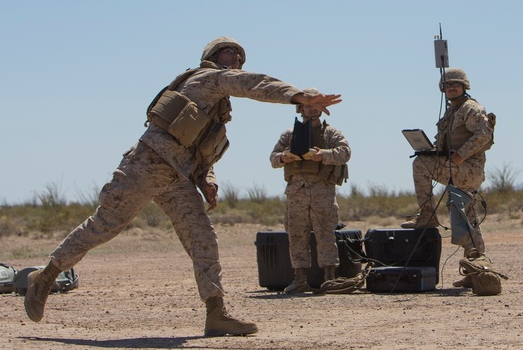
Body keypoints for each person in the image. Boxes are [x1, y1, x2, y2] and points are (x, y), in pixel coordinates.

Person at [23, 37, 341, 337]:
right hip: (146, 165)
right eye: (230, 53)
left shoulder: (219, 108)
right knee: (104, 226)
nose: (238, 59)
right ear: (213, 57)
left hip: (177, 178)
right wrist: (298, 96)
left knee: (203, 238)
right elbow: (254, 83)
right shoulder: (206, 79)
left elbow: (200, 150)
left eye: (241, 57)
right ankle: (46, 275)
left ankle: (216, 313)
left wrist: (208, 181)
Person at [402, 68, 492, 259]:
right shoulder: (452, 111)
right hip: (459, 168)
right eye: (447, 85)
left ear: (464, 86)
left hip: (468, 169)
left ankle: (427, 215)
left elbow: (484, 134)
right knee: (465, 214)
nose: (451, 88)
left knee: (420, 164)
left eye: (455, 84)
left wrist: (461, 155)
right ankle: (477, 265)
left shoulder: (470, 109)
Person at [269, 90, 351, 294]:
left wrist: (323, 155)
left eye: (316, 105)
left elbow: (345, 153)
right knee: (296, 234)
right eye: (308, 105)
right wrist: (284, 158)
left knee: (325, 234)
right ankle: (300, 278)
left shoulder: (331, 133)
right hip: (296, 192)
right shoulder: (289, 134)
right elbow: (273, 158)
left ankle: (330, 278)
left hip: (322, 190)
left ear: (322, 108)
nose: (311, 109)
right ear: (301, 108)